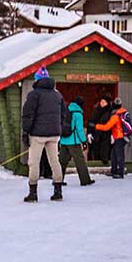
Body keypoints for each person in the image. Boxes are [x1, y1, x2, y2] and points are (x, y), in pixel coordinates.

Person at [21, 66, 65, 202]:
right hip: (54, 134)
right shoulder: (57, 94)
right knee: (54, 161)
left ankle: (33, 193)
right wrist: (58, 127)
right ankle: (58, 191)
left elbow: (28, 115)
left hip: (38, 134)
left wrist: (26, 131)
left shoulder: (34, 94)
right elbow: (63, 114)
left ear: (37, 80)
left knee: (34, 162)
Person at [59, 95, 94, 187]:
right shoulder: (78, 114)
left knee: (62, 161)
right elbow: (79, 130)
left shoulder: (66, 110)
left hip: (63, 140)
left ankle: (58, 180)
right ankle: (85, 180)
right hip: (73, 141)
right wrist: (83, 142)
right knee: (80, 162)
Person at [95, 98, 129, 178]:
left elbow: (107, 127)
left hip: (119, 137)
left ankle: (120, 173)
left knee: (119, 155)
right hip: (121, 137)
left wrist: (97, 126)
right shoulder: (123, 113)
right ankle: (114, 171)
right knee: (114, 154)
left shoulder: (115, 116)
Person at [89, 96, 113, 164]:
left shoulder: (110, 112)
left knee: (105, 153)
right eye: (101, 101)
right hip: (96, 135)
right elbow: (91, 122)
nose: (102, 103)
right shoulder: (96, 111)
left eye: (104, 102)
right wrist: (89, 132)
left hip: (106, 135)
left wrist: (112, 134)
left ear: (107, 103)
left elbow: (112, 124)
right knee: (96, 151)